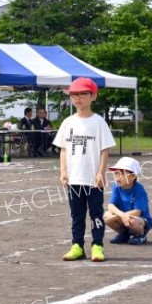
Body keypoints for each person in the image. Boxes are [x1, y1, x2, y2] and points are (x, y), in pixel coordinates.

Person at [52, 77, 116, 262]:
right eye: (74, 94)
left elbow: (105, 149)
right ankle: (77, 246)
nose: (78, 98)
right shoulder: (67, 123)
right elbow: (63, 149)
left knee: (96, 213)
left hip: (93, 179)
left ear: (93, 96)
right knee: (77, 215)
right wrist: (63, 172)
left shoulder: (98, 122)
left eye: (82, 94)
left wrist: (101, 172)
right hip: (74, 178)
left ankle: (97, 245)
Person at [103, 157, 152, 245]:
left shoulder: (139, 189)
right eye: (116, 173)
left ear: (133, 176)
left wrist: (120, 216)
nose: (117, 177)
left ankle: (141, 235)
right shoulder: (116, 187)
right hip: (125, 217)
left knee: (133, 220)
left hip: (140, 220)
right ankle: (124, 234)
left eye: (122, 173)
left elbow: (137, 212)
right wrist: (122, 215)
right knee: (107, 216)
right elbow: (111, 206)